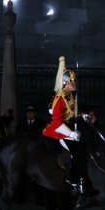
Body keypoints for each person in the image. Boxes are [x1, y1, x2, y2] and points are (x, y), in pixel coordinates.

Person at [42, 58, 91, 195]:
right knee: (76, 151)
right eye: (72, 81)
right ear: (65, 83)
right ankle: (74, 180)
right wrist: (70, 134)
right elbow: (57, 122)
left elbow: (72, 112)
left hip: (67, 126)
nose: (74, 83)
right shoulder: (60, 98)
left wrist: (82, 115)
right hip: (58, 131)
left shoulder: (69, 96)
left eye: (74, 81)